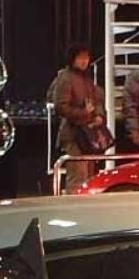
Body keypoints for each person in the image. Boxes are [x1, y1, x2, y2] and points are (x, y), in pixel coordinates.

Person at [55, 44, 106, 191]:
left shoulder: (87, 79)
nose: (85, 61)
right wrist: (84, 113)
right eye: (80, 57)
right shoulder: (65, 78)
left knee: (89, 177)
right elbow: (61, 107)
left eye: (87, 57)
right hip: (74, 135)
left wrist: (99, 115)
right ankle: (73, 204)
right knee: (77, 176)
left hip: (88, 134)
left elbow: (97, 101)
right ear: (72, 59)